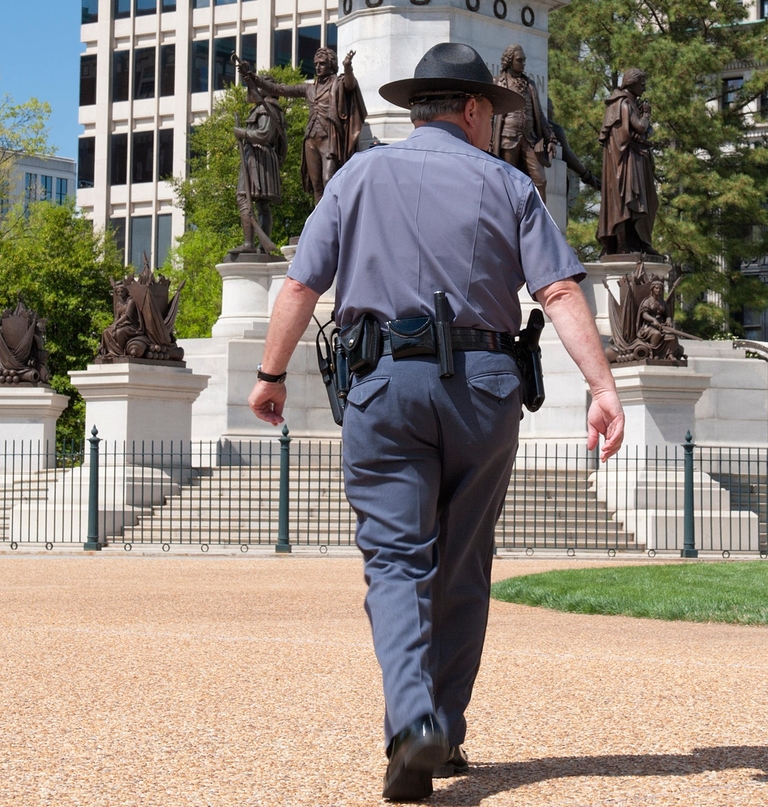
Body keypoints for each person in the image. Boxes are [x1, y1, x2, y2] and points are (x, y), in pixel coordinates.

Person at [248, 43, 624, 802]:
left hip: (383, 383)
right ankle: (444, 729)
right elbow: (556, 292)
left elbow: (299, 282)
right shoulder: (508, 185)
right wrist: (602, 386)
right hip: (484, 388)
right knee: (461, 563)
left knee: (396, 561)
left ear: (423, 106)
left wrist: (270, 374)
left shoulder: (356, 175)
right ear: (475, 109)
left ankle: (412, 720)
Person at [240, 48, 366, 204]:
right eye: (316, 64)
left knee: (329, 180)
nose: (318, 67)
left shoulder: (338, 84)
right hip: (310, 139)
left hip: (329, 139)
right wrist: (252, 77)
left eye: (322, 64)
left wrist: (347, 66)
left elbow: (350, 84)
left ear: (331, 65)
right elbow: (279, 89)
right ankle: (321, 221)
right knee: (316, 186)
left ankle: (336, 215)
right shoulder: (309, 89)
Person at [596, 68, 660, 256]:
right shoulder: (622, 104)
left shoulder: (632, 103)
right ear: (632, 83)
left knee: (648, 201)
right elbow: (640, 127)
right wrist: (646, 114)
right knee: (626, 202)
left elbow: (645, 132)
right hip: (625, 162)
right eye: (642, 84)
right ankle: (624, 243)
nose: (644, 87)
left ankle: (641, 242)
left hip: (638, 159)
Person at [491, 44, 557, 202]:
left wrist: (551, 138)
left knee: (540, 180)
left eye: (524, 60)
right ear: (509, 61)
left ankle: (540, 221)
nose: (523, 63)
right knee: (508, 180)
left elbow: (540, 115)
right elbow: (490, 115)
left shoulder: (530, 85)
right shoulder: (499, 82)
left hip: (529, 139)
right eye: (519, 60)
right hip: (507, 138)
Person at [226, 85, 286, 257]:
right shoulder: (273, 109)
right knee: (262, 204)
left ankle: (249, 243)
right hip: (264, 157)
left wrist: (242, 133)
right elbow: (284, 144)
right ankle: (260, 245)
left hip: (257, 157)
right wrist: (277, 161)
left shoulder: (265, 109)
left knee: (244, 196)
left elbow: (264, 134)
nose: (250, 90)